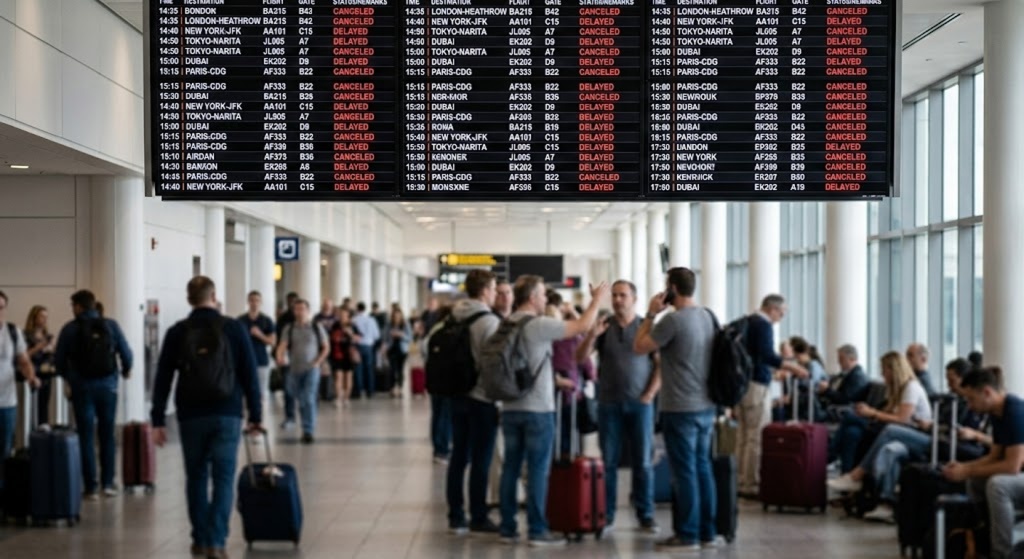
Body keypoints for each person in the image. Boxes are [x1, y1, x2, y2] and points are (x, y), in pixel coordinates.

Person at [150, 276, 262, 559]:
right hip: (228, 413)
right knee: (224, 477)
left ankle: (200, 539)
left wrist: (158, 420)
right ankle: (216, 540)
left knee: (196, 477)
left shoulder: (178, 331)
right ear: (214, 296)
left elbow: (162, 377)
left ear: (189, 299)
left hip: (190, 415)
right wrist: (256, 416)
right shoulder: (234, 328)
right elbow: (250, 374)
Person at [497, 275, 610, 547]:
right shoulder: (537, 325)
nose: (546, 299)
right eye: (543, 295)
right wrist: (596, 300)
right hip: (538, 409)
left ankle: (508, 527)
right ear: (533, 297)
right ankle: (537, 530)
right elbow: (582, 325)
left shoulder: (506, 323)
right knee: (537, 469)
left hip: (510, 406)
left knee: (511, 468)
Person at [828, 358, 990, 522]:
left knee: (887, 430)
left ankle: (853, 474)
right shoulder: (952, 400)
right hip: (933, 438)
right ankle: (886, 503)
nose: (949, 385)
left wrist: (933, 426)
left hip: (938, 443)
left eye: (952, 381)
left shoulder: (966, 406)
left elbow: (953, 430)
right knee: (890, 449)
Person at [633, 268, 719, 550]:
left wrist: (649, 313)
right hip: (706, 406)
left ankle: (688, 534)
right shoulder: (708, 316)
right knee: (703, 468)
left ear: (671, 288)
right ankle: (708, 532)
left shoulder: (673, 321)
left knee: (684, 472)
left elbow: (639, 346)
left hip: (680, 408)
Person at [577, 280, 661, 533]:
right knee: (609, 462)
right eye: (614, 295)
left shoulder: (645, 328)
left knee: (643, 461)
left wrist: (649, 394)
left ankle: (645, 513)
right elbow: (579, 358)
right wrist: (592, 334)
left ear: (634, 299)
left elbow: (660, 364)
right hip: (609, 404)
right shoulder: (604, 326)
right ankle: (607, 513)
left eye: (622, 295)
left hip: (640, 404)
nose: (617, 300)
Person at [54, 289, 133, 499]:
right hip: (108, 388)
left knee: (86, 436)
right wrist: (125, 371)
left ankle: (91, 486)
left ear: (79, 306)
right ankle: (108, 483)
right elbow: (127, 353)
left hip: (82, 389)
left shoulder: (70, 329)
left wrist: (69, 378)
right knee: (107, 435)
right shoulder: (111, 325)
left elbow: (59, 361)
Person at [942, 367, 1024, 559]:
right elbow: (994, 456)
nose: (969, 406)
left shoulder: (1015, 412)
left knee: (998, 485)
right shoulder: (997, 413)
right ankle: (984, 535)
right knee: (976, 480)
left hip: (1017, 473)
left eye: (971, 399)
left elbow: (1012, 467)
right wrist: (966, 468)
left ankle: (1001, 553)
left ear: (987, 392)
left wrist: (968, 471)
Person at [446, 269, 502, 536]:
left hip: (457, 394)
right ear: (484, 291)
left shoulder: (454, 315)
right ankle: (478, 515)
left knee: (458, 456)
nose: (495, 293)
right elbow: (491, 364)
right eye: (493, 288)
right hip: (481, 398)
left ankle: (456, 515)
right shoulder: (487, 321)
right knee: (481, 458)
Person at [735, 294, 808, 498]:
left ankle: (740, 478)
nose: (781, 317)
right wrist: (792, 366)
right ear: (772, 309)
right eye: (781, 313)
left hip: (742, 384)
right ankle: (751, 482)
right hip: (757, 384)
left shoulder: (748, 321)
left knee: (743, 434)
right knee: (756, 435)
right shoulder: (763, 325)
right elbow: (767, 355)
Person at [830, 351, 932, 473]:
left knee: (850, 416)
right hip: (893, 427)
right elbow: (889, 413)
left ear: (894, 370)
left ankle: (830, 455)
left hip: (909, 431)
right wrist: (870, 411)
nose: (882, 374)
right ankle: (848, 478)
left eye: (884, 370)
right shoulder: (897, 389)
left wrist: (872, 413)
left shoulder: (911, 388)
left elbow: (902, 419)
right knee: (852, 432)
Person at [275, 299, 329, 444]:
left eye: (302, 309)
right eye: (297, 309)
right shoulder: (289, 328)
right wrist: (279, 356)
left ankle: (308, 430)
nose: (299, 312)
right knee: (297, 397)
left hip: (312, 368)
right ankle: (307, 422)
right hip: (294, 369)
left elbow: (325, 347)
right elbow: (282, 345)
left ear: (308, 311)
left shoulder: (316, 327)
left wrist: (318, 362)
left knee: (307, 397)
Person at [0, 291, 40, 460]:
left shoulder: (12, 331)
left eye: (1, 307)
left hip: (7, 402)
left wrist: (31, 376)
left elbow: (23, 361)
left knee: (5, 448)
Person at [236, 291, 276, 406]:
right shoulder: (240, 320)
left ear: (261, 302)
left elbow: (273, 341)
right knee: (243, 392)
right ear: (248, 302)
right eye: (252, 300)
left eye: (257, 300)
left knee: (261, 392)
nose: (254, 303)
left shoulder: (266, 320)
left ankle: (259, 418)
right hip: (243, 361)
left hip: (261, 361)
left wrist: (260, 335)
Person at [23, 305, 57, 426]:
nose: (45, 319)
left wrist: (52, 348)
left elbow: (53, 355)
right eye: (42, 316)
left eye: (46, 317)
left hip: (47, 375)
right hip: (32, 375)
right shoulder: (25, 335)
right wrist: (39, 347)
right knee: (31, 407)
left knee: (44, 406)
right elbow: (23, 355)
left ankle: (43, 433)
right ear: (34, 317)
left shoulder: (48, 336)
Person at [817, 344, 870, 416]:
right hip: (834, 406)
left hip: (843, 411)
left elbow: (845, 400)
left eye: (841, 359)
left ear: (852, 359)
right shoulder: (845, 374)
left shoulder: (857, 377)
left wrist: (827, 390)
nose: (838, 361)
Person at [328, 307, 360, 407]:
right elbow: (331, 338)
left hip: (349, 354)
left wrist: (350, 333)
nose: (342, 317)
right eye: (340, 315)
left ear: (348, 316)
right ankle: (338, 398)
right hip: (337, 354)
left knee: (348, 377)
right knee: (338, 377)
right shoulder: (335, 325)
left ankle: (346, 398)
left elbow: (358, 338)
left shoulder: (353, 326)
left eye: (344, 315)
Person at [385, 307, 412, 398]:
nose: (396, 318)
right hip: (391, 349)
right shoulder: (389, 324)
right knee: (392, 369)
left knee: (400, 370)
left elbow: (410, 338)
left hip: (402, 350)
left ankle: (400, 389)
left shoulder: (405, 324)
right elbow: (384, 337)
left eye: (398, 316)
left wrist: (401, 335)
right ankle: (392, 389)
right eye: (395, 316)